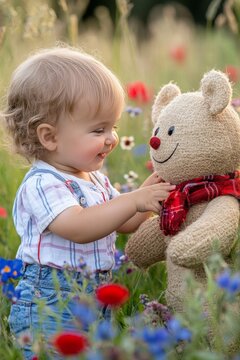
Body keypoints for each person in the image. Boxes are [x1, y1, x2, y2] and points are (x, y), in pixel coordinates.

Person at [3, 46, 175, 359]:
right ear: (49, 137)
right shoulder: (42, 183)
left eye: (113, 127)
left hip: (95, 297)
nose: (110, 138)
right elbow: (79, 226)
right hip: (52, 302)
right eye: (98, 129)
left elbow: (121, 222)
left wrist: (149, 198)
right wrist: (134, 199)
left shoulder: (94, 179)